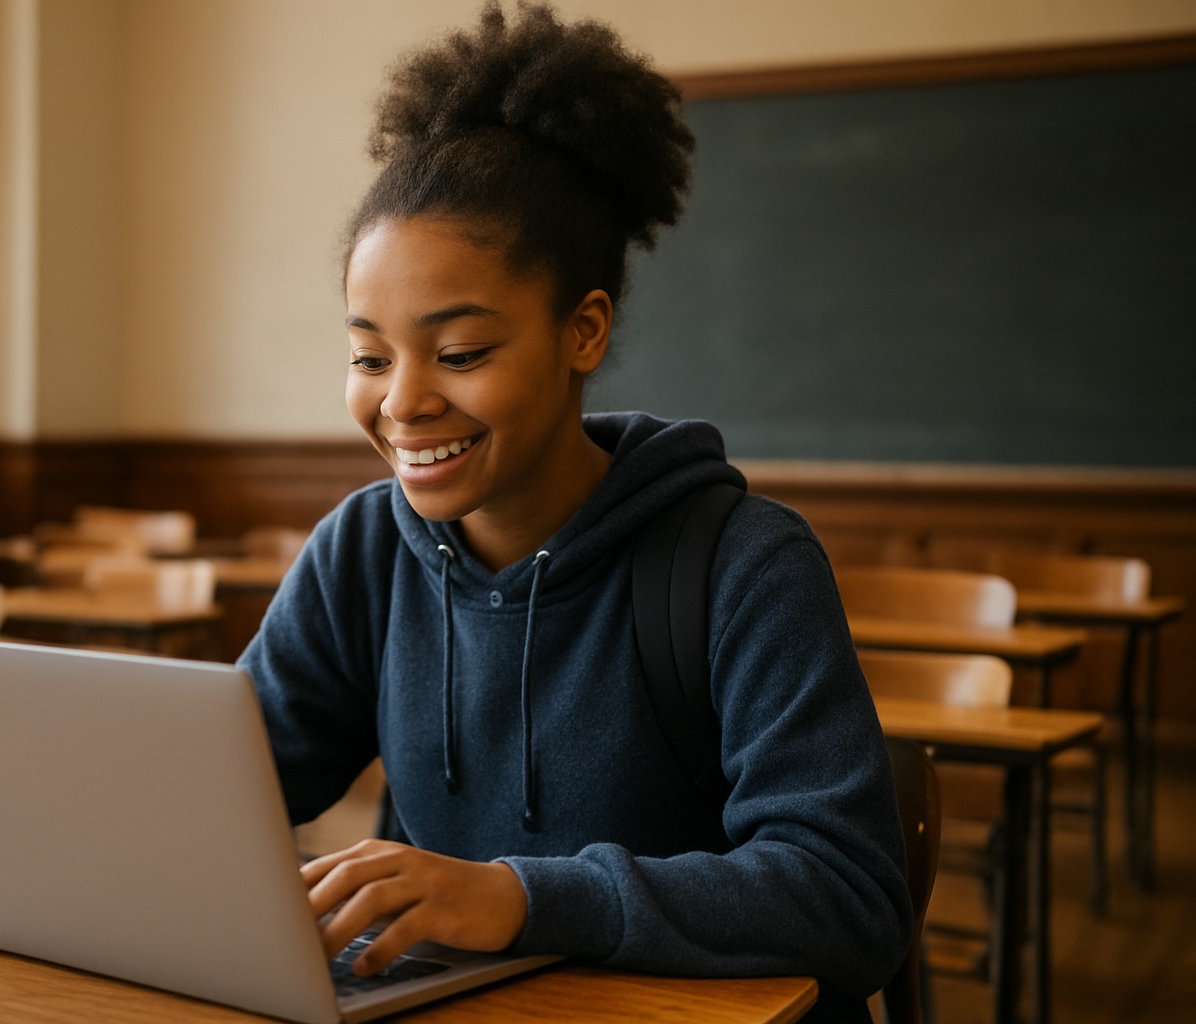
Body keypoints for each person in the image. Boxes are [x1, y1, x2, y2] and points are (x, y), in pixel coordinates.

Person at [239, 3, 913, 1020]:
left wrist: (522, 896)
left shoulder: (743, 564)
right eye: (370, 355)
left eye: (460, 353)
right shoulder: (364, 553)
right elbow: (222, 800)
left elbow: (848, 895)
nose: (403, 400)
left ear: (583, 331)